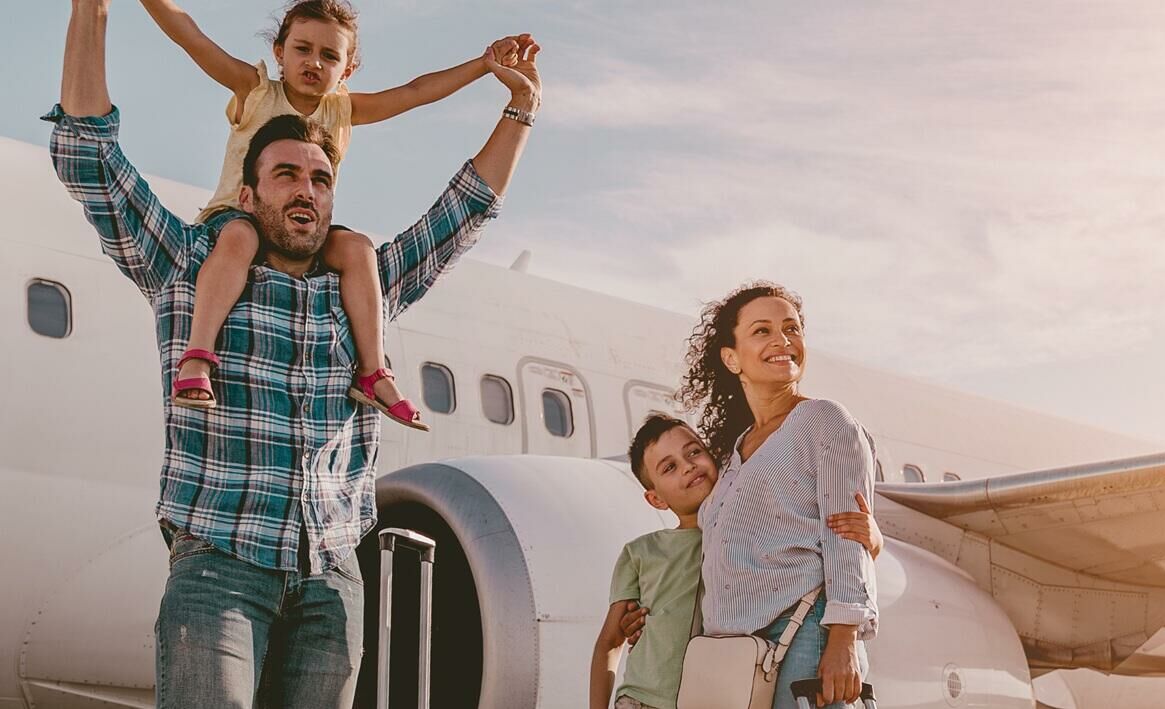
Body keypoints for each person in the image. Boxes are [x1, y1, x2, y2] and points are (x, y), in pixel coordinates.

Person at [47, 2, 541, 705]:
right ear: (248, 193)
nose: (306, 189)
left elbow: (463, 212)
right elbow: (91, 157)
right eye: (286, 175)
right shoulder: (192, 268)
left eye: (320, 178)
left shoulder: (361, 288)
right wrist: (89, 12)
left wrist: (519, 110)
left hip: (332, 582)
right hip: (219, 565)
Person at [136, 0, 521, 430]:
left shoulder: (343, 110)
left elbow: (415, 91)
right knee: (241, 239)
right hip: (236, 220)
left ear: (348, 70)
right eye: (302, 49)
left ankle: (373, 372)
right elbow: (191, 35)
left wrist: (483, 66)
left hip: (302, 229)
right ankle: (198, 356)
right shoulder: (256, 91)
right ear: (279, 52)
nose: (314, 62)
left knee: (358, 248)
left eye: (330, 56)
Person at [675, 282, 883, 708]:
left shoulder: (823, 420)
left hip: (802, 636)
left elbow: (847, 535)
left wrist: (844, 638)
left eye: (791, 328)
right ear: (731, 358)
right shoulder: (737, 452)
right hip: (733, 652)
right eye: (762, 330)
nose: (782, 340)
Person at [589, 414, 884, 709]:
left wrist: (874, 543)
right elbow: (610, 640)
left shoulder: (739, 536)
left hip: (709, 691)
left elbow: (810, 551)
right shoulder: (641, 552)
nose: (688, 465)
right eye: (669, 467)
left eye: (694, 452)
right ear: (655, 499)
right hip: (643, 697)